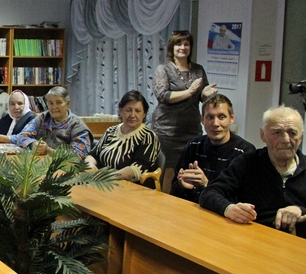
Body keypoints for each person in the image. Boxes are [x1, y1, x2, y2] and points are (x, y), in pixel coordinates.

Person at [199, 105, 306, 236]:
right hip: (253, 236)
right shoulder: (247, 162)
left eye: (292, 133)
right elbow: (209, 193)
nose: (285, 139)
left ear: (300, 137)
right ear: (263, 135)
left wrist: (300, 210)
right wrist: (229, 208)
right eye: (277, 132)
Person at [151, 30, 218, 170]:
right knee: (168, 171)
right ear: (172, 47)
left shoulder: (198, 69)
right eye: (178, 44)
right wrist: (189, 92)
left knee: (191, 168)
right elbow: (162, 96)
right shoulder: (163, 69)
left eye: (186, 44)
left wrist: (205, 94)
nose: (183, 47)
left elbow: (201, 97)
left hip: (192, 129)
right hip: (167, 131)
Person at [170, 94, 255, 203]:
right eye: (210, 117)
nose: (215, 124)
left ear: (231, 118)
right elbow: (173, 191)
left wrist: (207, 184)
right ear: (202, 119)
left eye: (222, 117)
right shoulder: (193, 145)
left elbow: (245, 199)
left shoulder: (245, 152)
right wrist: (184, 187)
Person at [85, 90, 161, 183]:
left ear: (144, 114)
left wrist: (105, 177)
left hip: (133, 187)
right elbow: (93, 155)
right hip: (103, 183)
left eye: (137, 111)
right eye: (128, 110)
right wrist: (90, 165)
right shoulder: (111, 131)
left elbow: (135, 170)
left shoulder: (148, 137)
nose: (132, 115)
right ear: (120, 111)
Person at [26, 86, 92, 159]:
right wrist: (33, 144)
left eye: (59, 102)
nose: (54, 107)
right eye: (51, 103)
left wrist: (49, 151)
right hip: (40, 163)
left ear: (67, 103)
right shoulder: (42, 118)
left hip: (66, 165)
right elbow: (21, 137)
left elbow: (78, 156)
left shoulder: (78, 126)